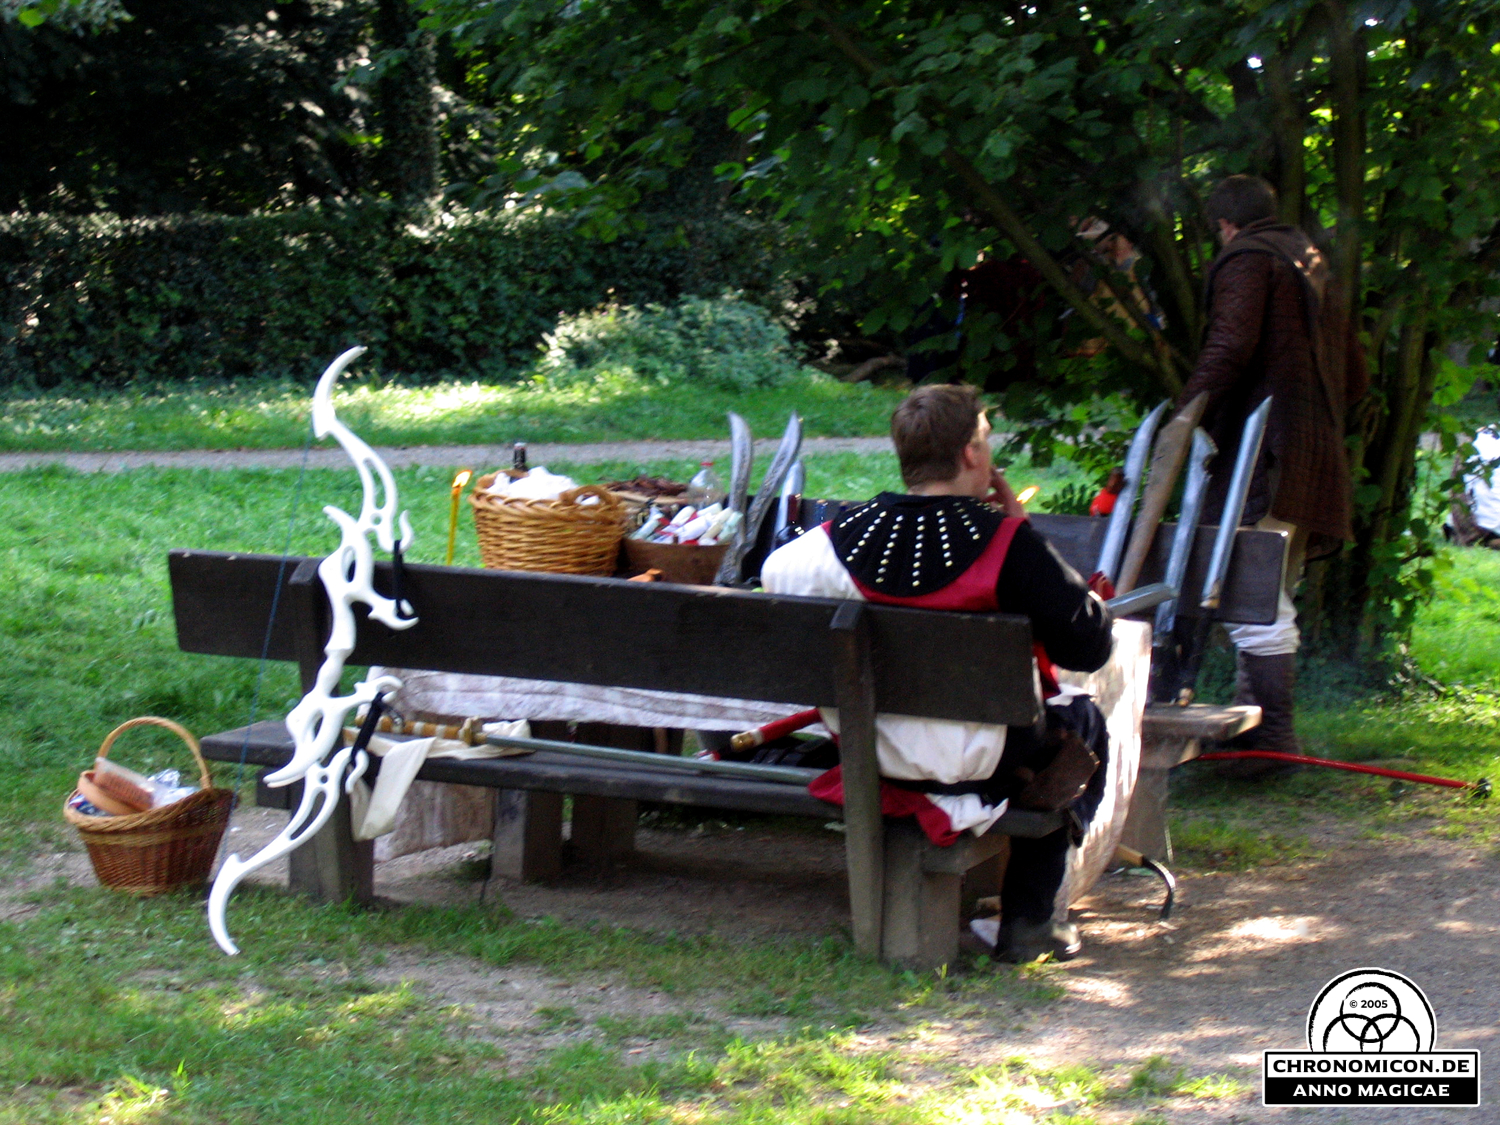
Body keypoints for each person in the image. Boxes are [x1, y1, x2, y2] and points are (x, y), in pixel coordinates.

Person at [760, 384, 1115, 962]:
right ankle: (1030, 920)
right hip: (983, 761)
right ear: (972, 453)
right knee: (1082, 720)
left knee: (1054, 718)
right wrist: (1023, 534)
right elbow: (1090, 646)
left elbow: (776, 570)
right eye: (986, 441)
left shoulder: (822, 546)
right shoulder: (1010, 546)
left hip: (870, 749)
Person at [1177, 175, 1368, 770]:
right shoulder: (1311, 263)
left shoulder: (1249, 259)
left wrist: (1184, 418)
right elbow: (1356, 377)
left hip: (1265, 455)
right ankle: (1253, 735)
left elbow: (1230, 347)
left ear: (1225, 226)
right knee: (1269, 591)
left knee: (1247, 590)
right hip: (1309, 453)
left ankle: (1274, 738)